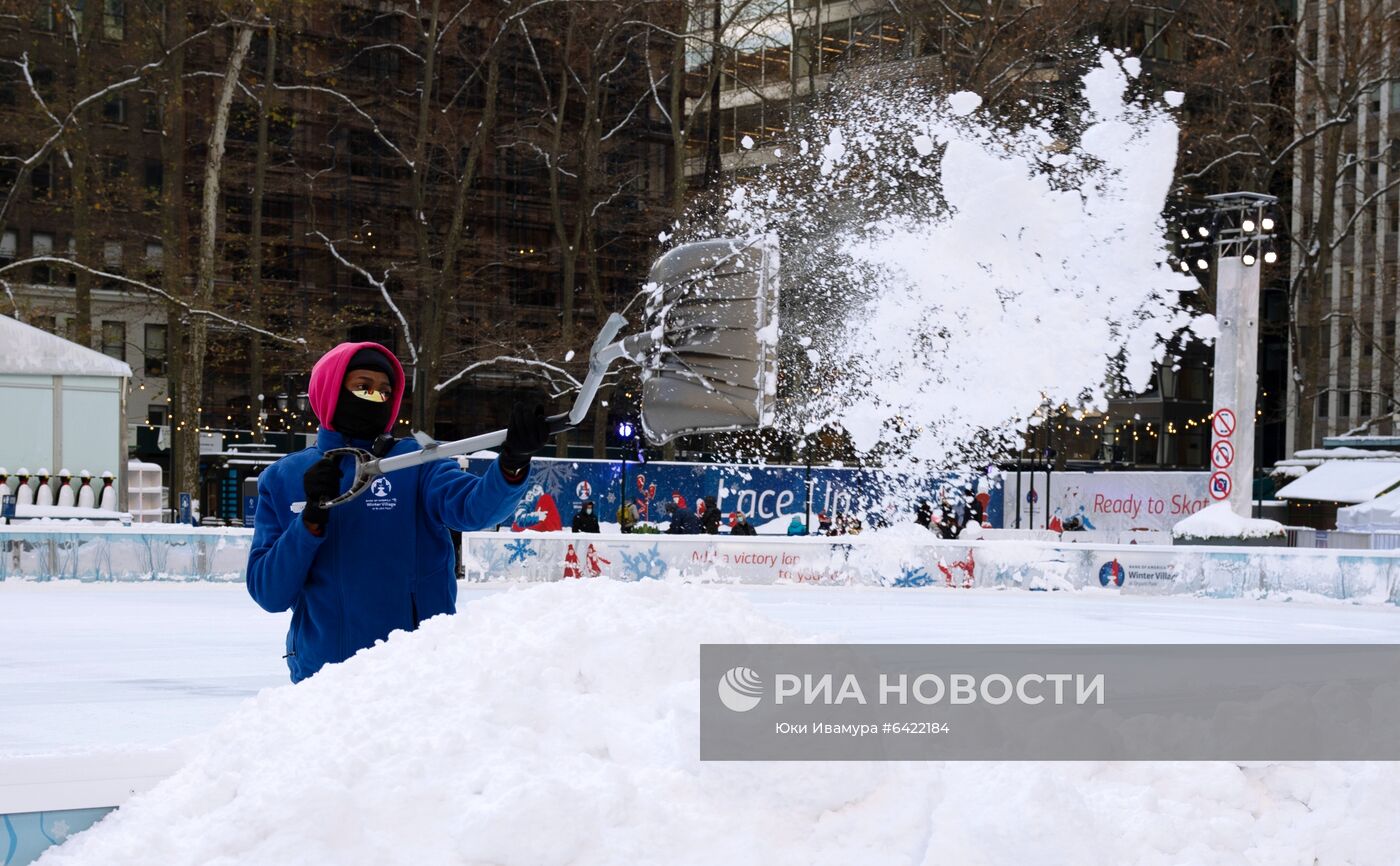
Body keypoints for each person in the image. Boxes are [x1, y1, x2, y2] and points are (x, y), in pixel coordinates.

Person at [246, 342, 548, 683]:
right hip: (324, 683)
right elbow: (270, 592)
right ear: (330, 391)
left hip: (414, 676)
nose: (375, 398)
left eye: (384, 392)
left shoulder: (417, 462)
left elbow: (473, 509)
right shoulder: (284, 478)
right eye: (363, 387)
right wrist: (310, 520)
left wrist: (512, 464)